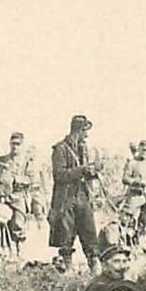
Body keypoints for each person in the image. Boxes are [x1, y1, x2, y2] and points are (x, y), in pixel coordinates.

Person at [49, 115, 101, 273]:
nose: (87, 136)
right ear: (78, 131)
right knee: (66, 234)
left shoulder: (83, 149)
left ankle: (95, 270)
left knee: (89, 231)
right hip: (65, 199)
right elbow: (59, 175)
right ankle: (68, 270)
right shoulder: (60, 149)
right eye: (85, 131)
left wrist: (93, 172)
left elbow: (82, 172)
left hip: (82, 196)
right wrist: (83, 169)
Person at [1, 131, 37, 241]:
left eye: (18, 144)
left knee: (18, 221)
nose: (15, 147)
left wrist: (17, 179)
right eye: (13, 144)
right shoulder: (3, 160)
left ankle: (18, 246)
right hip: (3, 193)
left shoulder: (27, 161)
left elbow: (31, 179)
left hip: (19, 195)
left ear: (22, 145)